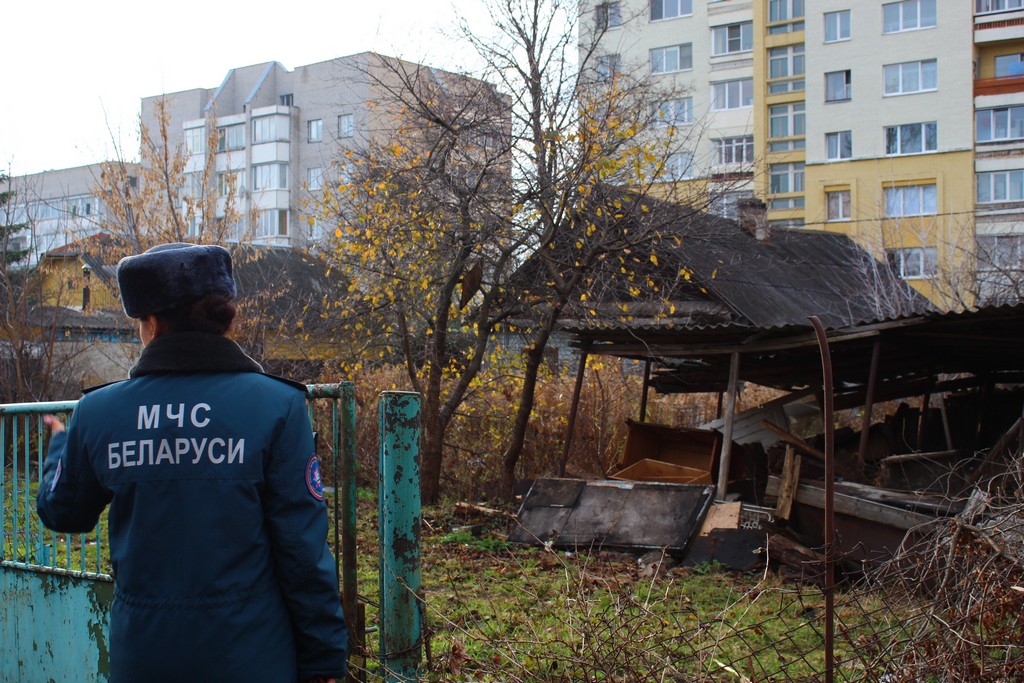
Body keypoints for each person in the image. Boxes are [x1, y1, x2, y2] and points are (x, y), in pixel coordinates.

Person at [37, 243, 349, 683]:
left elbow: (62, 511)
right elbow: (302, 549)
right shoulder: (277, 406)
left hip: (144, 659)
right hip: (252, 658)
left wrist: (59, 445)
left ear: (151, 322)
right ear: (224, 316)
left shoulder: (99, 413)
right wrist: (323, 658)